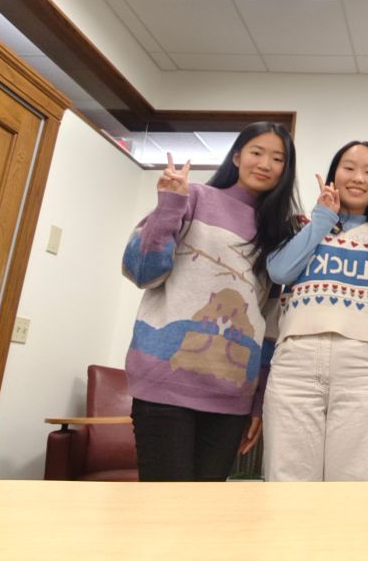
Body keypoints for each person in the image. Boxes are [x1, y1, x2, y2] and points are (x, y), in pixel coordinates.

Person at [122, 121, 301, 481]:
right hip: (165, 382)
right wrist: (169, 205)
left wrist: (258, 401)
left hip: (232, 395)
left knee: (205, 519)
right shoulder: (193, 198)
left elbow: (269, 323)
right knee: (162, 513)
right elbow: (143, 271)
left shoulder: (278, 234)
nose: (265, 163)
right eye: (256, 152)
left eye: (277, 158)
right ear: (237, 156)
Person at [263, 141, 368, 481]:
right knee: (288, 479)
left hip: (362, 365)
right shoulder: (303, 225)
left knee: (356, 481)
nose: (358, 177)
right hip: (295, 363)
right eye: (349, 167)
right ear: (333, 174)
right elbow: (280, 272)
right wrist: (322, 219)